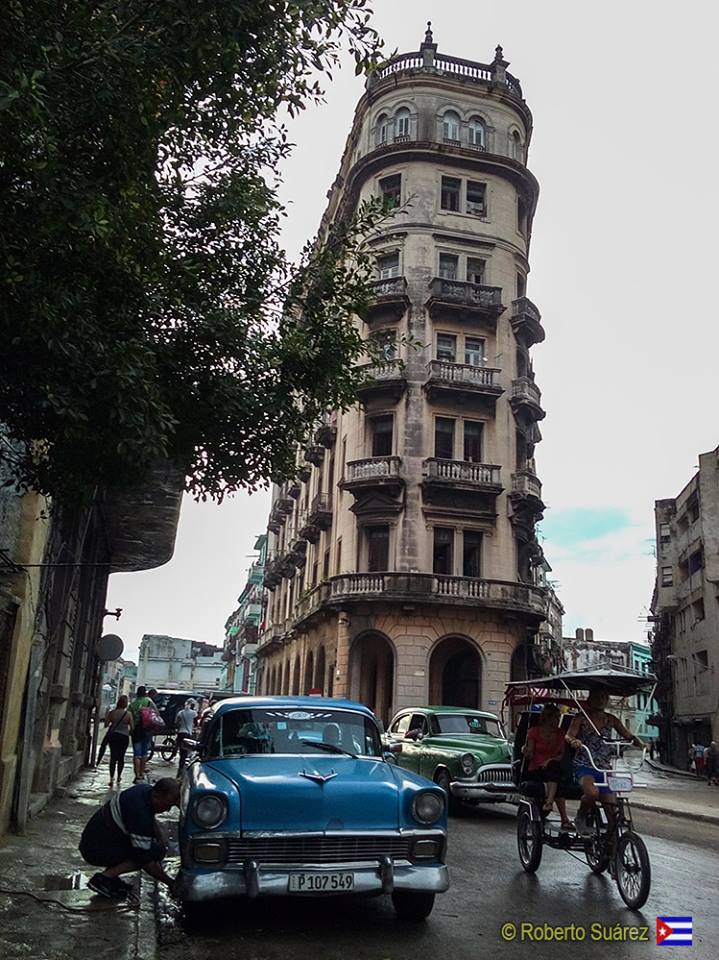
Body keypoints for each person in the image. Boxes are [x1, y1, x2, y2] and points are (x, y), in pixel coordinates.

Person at [79, 778, 180, 898]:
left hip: (101, 840)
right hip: (94, 850)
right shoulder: (140, 813)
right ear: (157, 795)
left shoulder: (144, 791)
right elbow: (145, 860)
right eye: (167, 805)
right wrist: (171, 883)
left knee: (156, 849)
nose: (167, 810)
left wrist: (161, 840)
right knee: (150, 854)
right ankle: (103, 878)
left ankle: (112, 877)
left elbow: (151, 821)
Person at [566, 688, 646, 838]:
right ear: (591, 699)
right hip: (585, 765)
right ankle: (580, 816)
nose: (601, 700)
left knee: (612, 811)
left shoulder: (611, 719)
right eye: (598, 696)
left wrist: (639, 743)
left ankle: (612, 846)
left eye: (604, 697)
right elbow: (569, 735)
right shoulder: (581, 718)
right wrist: (574, 741)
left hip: (604, 767)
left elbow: (628, 735)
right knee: (592, 793)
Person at [522, 704, 572, 831]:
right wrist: (525, 750)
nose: (557, 721)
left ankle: (550, 803)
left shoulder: (561, 733)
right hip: (536, 768)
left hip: (554, 767)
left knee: (553, 767)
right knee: (555, 776)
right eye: (555, 718)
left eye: (558, 718)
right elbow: (530, 754)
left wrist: (550, 760)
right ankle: (563, 817)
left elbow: (562, 754)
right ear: (547, 718)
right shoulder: (534, 732)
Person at [104, 695, 134, 788]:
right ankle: (119, 777)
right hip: (124, 737)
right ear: (125, 704)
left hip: (113, 736)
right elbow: (132, 727)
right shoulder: (128, 714)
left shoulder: (112, 713)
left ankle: (111, 778)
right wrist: (128, 732)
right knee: (121, 757)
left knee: (113, 757)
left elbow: (105, 724)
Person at [128, 686, 157, 783]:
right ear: (145, 693)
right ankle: (142, 773)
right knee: (144, 753)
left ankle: (137, 776)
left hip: (136, 730)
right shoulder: (149, 701)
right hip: (147, 730)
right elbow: (156, 714)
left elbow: (129, 718)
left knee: (137, 754)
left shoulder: (133, 704)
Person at [175, 699, 198, 775]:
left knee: (181, 752)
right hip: (188, 734)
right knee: (187, 752)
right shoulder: (194, 713)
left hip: (181, 733)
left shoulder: (180, 713)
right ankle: (184, 769)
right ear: (192, 705)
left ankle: (180, 767)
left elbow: (176, 722)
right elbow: (196, 723)